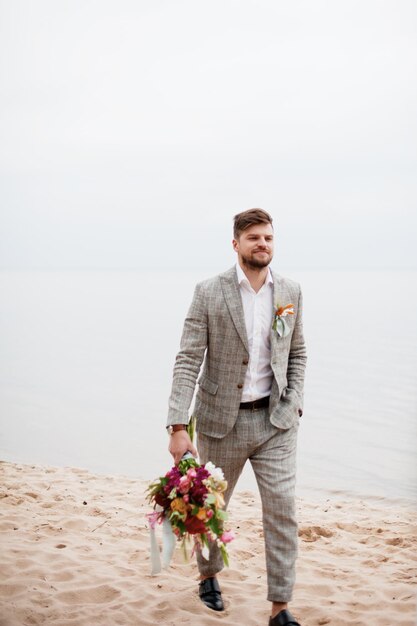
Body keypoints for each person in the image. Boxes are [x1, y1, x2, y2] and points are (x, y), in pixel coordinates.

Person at [166, 208, 307, 626]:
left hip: (276, 422)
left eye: (268, 237)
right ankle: (208, 577)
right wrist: (177, 425)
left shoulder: (291, 292)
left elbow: (297, 351)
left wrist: (295, 398)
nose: (262, 244)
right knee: (212, 509)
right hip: (221, 422)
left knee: (282, 510)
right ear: (236, 245)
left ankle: (281, 606)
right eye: (253, 238)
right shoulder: (209, 292)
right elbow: (188, 358)